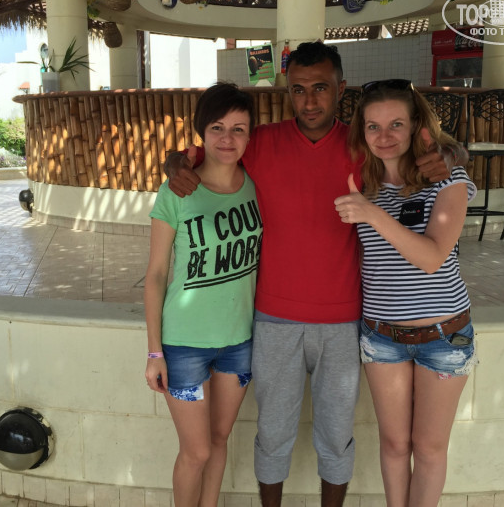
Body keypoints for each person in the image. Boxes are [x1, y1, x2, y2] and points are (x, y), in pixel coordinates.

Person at [165, 42, 468, 507]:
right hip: (273, 318)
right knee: (273, 433)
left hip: (344, 319)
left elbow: (426, 152)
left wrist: (452, 151)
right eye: (299, 89)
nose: (309, 101)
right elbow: (213, 148)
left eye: (321, 88)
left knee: (336, 435)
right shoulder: (261, 142)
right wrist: (176, 160)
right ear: (288, 91)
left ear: (341, 89)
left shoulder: (362, 145)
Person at [334, 79, 478, 507]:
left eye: (396, 124)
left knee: (429, 449)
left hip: (443, 337)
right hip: (382, 337)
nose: (384, 136)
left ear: (416, 125)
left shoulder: (447, 178)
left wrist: (370, 214)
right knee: (395, 446)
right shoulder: (363, 184)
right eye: (373, 126)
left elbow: (432, 257)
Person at [144, 82, 262, 507]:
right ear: (201, 132)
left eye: (238, 129)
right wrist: (154, 351)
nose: (227, 139)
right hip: (184, 344)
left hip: (239, 340)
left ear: (250, 135)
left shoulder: (257, 185)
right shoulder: (178, 189)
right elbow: (156, 274)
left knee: (218, 439)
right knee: (195, 451)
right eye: (217, 128)